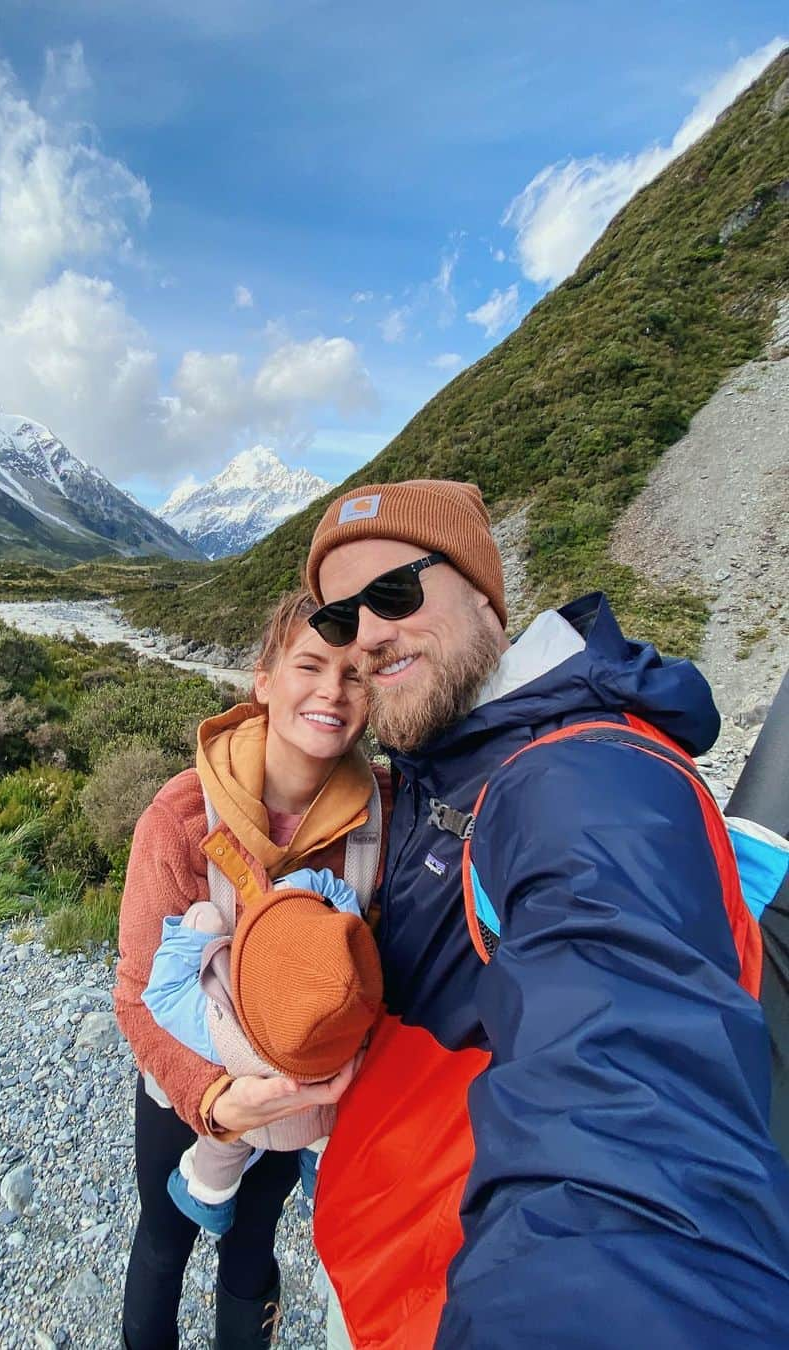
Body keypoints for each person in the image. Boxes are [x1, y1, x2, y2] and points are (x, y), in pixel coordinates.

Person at [303, 480, 789, 1349]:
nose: (368, 636)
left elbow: (630, 1129)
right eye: (340, 619)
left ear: (485, 594)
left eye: (395, 594)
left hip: (443, 1296)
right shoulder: (437, 757)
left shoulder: (578, 782)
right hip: (379, 1252)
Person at [114, 589, 389, 1350]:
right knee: (165, 1242)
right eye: (309, 664)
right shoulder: (179, 819)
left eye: (356, 673)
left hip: (299, 1094)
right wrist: (216, 1101)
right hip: (189, 1086)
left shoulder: (382, 819)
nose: (331, 690)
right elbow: (136, 998)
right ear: (263, 679)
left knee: (250, 1245)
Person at [141, 865, 381, 1236]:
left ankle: (207, 1197)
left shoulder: (217, 1024)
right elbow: (350, 930)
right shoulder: (344, 1015)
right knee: (330, 1125)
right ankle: (322, 1174)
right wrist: (308, 890)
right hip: (320, 1104)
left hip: (247, 1122)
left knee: (223, 1147)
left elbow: (160, 994)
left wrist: (192, 934)